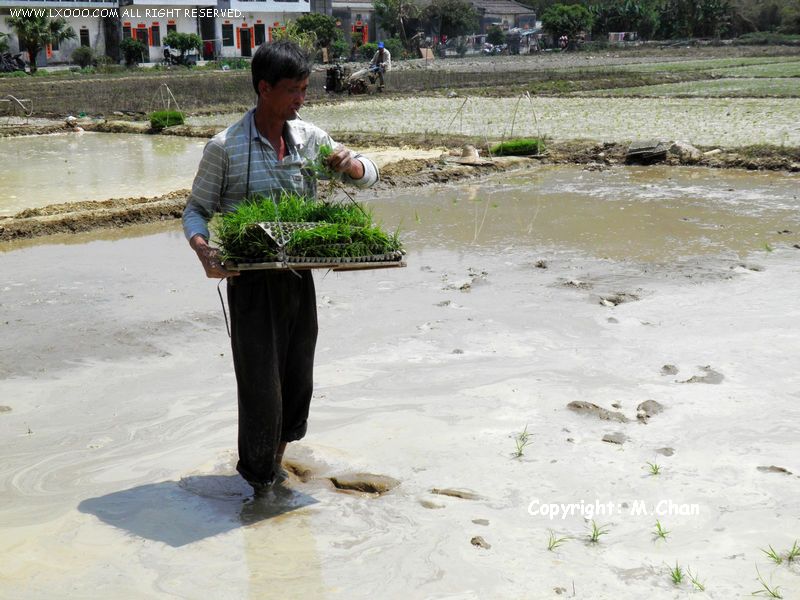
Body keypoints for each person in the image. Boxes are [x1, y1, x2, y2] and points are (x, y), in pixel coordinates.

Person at [182, 40, 379, 494]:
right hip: (250, 285)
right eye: (293, 90)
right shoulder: (225, 147)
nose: (301, 99)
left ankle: (275, 463)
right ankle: (259, 483)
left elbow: (371, 175)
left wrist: (349, 165)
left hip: (298, 277)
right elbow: (196, 210)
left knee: (296, 379)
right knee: (260, 386)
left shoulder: (311, 140)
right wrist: (203, 250)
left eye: (305, 89)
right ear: (264, 88)